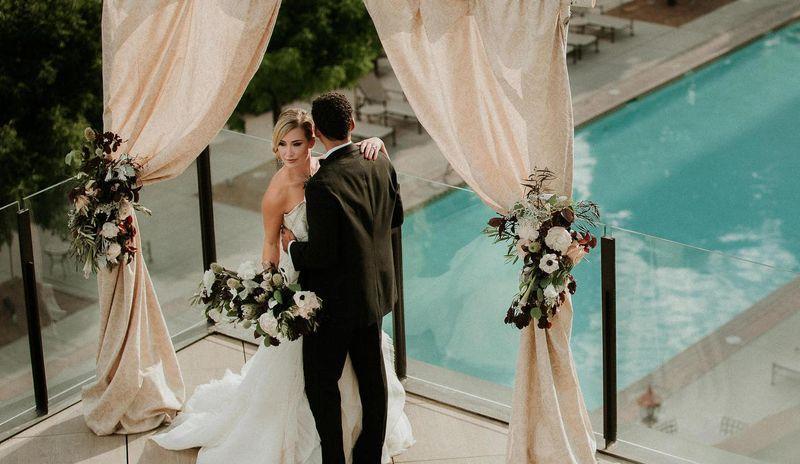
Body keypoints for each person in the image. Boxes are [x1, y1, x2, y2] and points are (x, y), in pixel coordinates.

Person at [151, 106, 413, 464]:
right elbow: (270, 243)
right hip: (315, 292)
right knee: (336, 379)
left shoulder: (326, 173)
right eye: (281, 145)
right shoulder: (278, 191)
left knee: (346, 378)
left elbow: (331, 237)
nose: (288, 153)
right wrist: (271, 288)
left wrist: (377, 142)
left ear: (313, 140)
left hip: (338, 292)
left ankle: (348, 452)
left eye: (296, 144)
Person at [281, 92, 404, 464]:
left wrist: (291, 246)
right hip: (375, 293)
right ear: (352, 124)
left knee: (321, 382)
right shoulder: (380, 162)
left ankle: (334, 458)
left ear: (315, 134)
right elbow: (396, 218)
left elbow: (321, 255)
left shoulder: (322, 184)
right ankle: (368, 456)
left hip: (335, 305)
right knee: (373, 380)